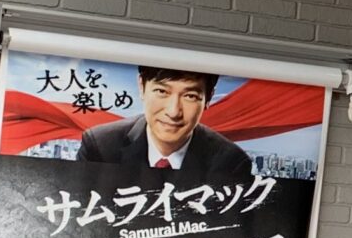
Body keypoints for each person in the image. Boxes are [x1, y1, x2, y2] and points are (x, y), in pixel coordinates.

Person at [77, 68, 255, 184]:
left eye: (190, 96)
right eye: (162, 91)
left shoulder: (231, 164)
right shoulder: (100, 147)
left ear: (208, 99)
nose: (173, 111)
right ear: (142, 87)